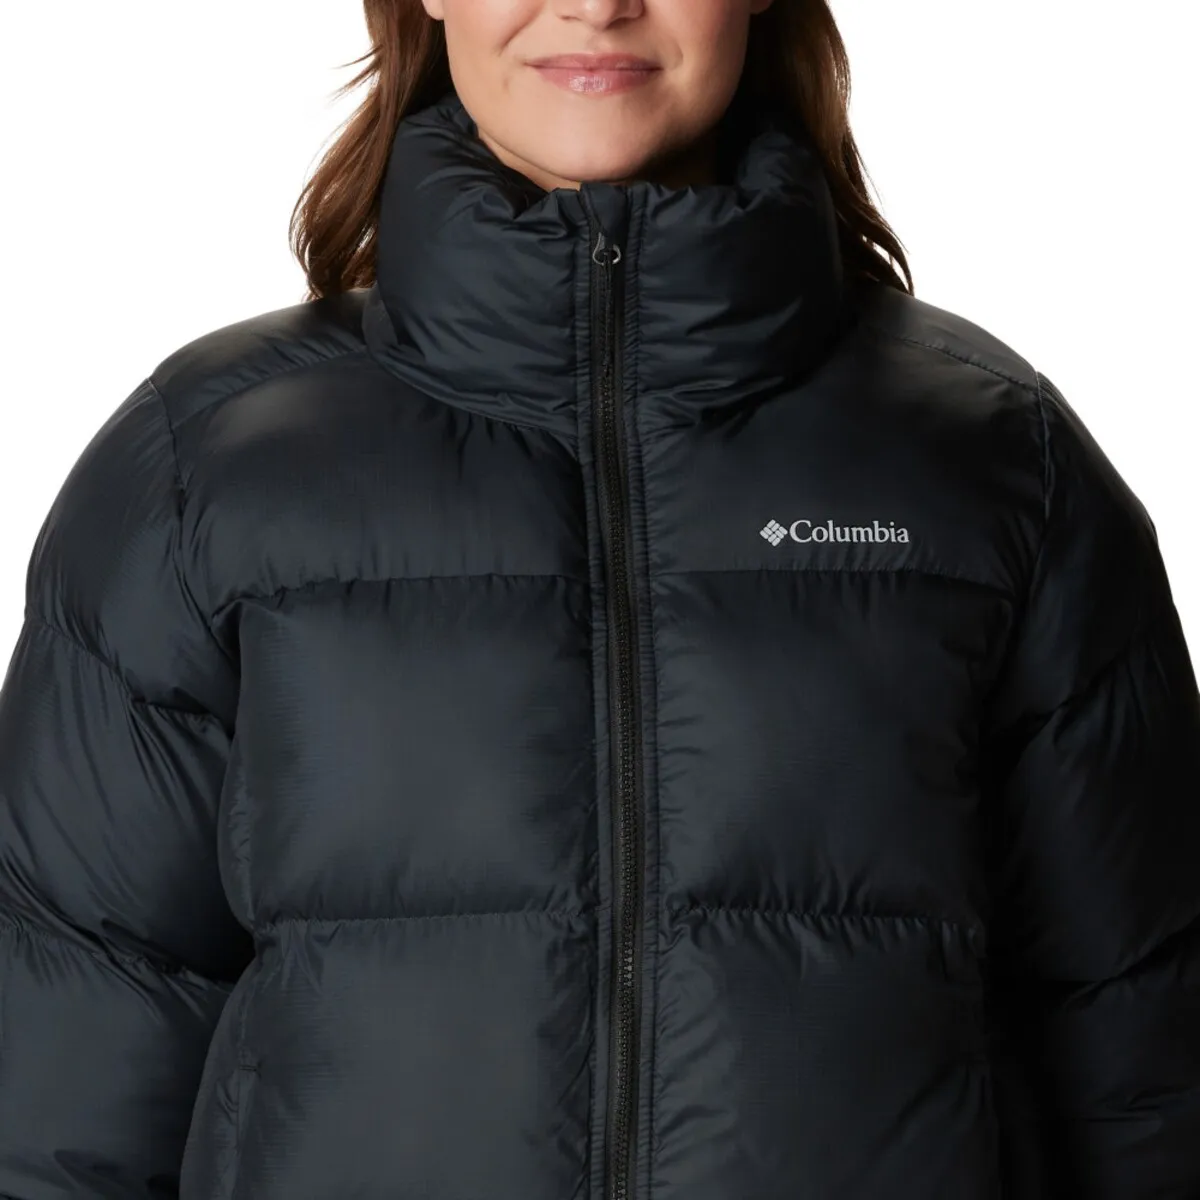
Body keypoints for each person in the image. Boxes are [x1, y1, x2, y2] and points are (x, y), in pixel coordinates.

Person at [1, 0, 1197, 1196]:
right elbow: (62, 1095)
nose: (596, 4)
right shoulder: (206, 471)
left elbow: (1148, 1060)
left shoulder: (993, 464)